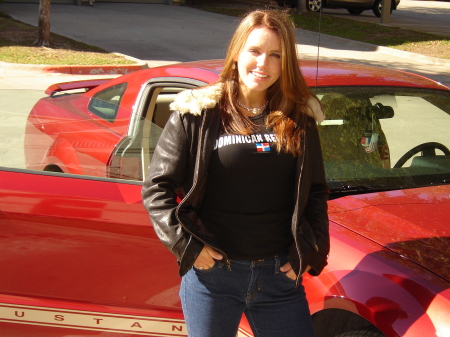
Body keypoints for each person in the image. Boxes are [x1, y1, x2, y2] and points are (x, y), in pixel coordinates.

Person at [142, 9, 329, 337]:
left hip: (279, 278)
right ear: (236, 53)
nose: (263, 64)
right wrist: (188, 246)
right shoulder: (197, 114)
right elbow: (157, 187)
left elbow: (315, 191)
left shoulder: (299, 117)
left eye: (275, 55)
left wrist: (312, 253)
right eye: (254, 51)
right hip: (213, 277)